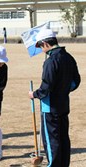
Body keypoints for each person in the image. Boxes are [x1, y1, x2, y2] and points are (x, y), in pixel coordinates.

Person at [28, 29, 80, 167]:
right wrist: (62, 91)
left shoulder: (51, 61)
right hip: (63, 104)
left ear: (45, 43)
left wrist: (34, 94)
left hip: (49, 107)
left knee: (52, 141)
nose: (41, 50)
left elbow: (46, 88)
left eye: (40, 46)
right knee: (63, 138)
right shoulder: (68, 57)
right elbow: (76, 81)